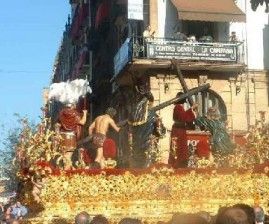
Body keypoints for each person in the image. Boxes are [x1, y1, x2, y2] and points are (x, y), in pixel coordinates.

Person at [169, 92, 198, 168]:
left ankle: (180, 163)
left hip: (179, 130)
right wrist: (191, 110)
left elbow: (183, 116)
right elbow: (183, 117)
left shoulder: (179, 107)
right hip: (178, 131)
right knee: (178, 148)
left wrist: (191, 110)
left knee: (180, 147)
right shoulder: (178, 107)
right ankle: (178, 164)